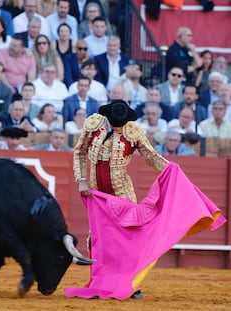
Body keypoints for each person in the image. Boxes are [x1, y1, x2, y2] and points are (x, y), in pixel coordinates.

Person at [68, 99, 169, 299]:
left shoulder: (132, 131)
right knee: (98, 239)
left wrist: (170, 168)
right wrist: (81, 180)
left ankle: (132, 283)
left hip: (122, 192)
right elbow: (79, 151)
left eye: (119, 123)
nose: (116, 125)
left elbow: (151, 156)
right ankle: (101, 280)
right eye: (114, 121)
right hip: (98, 195)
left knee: (129, 238)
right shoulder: (94, 125)